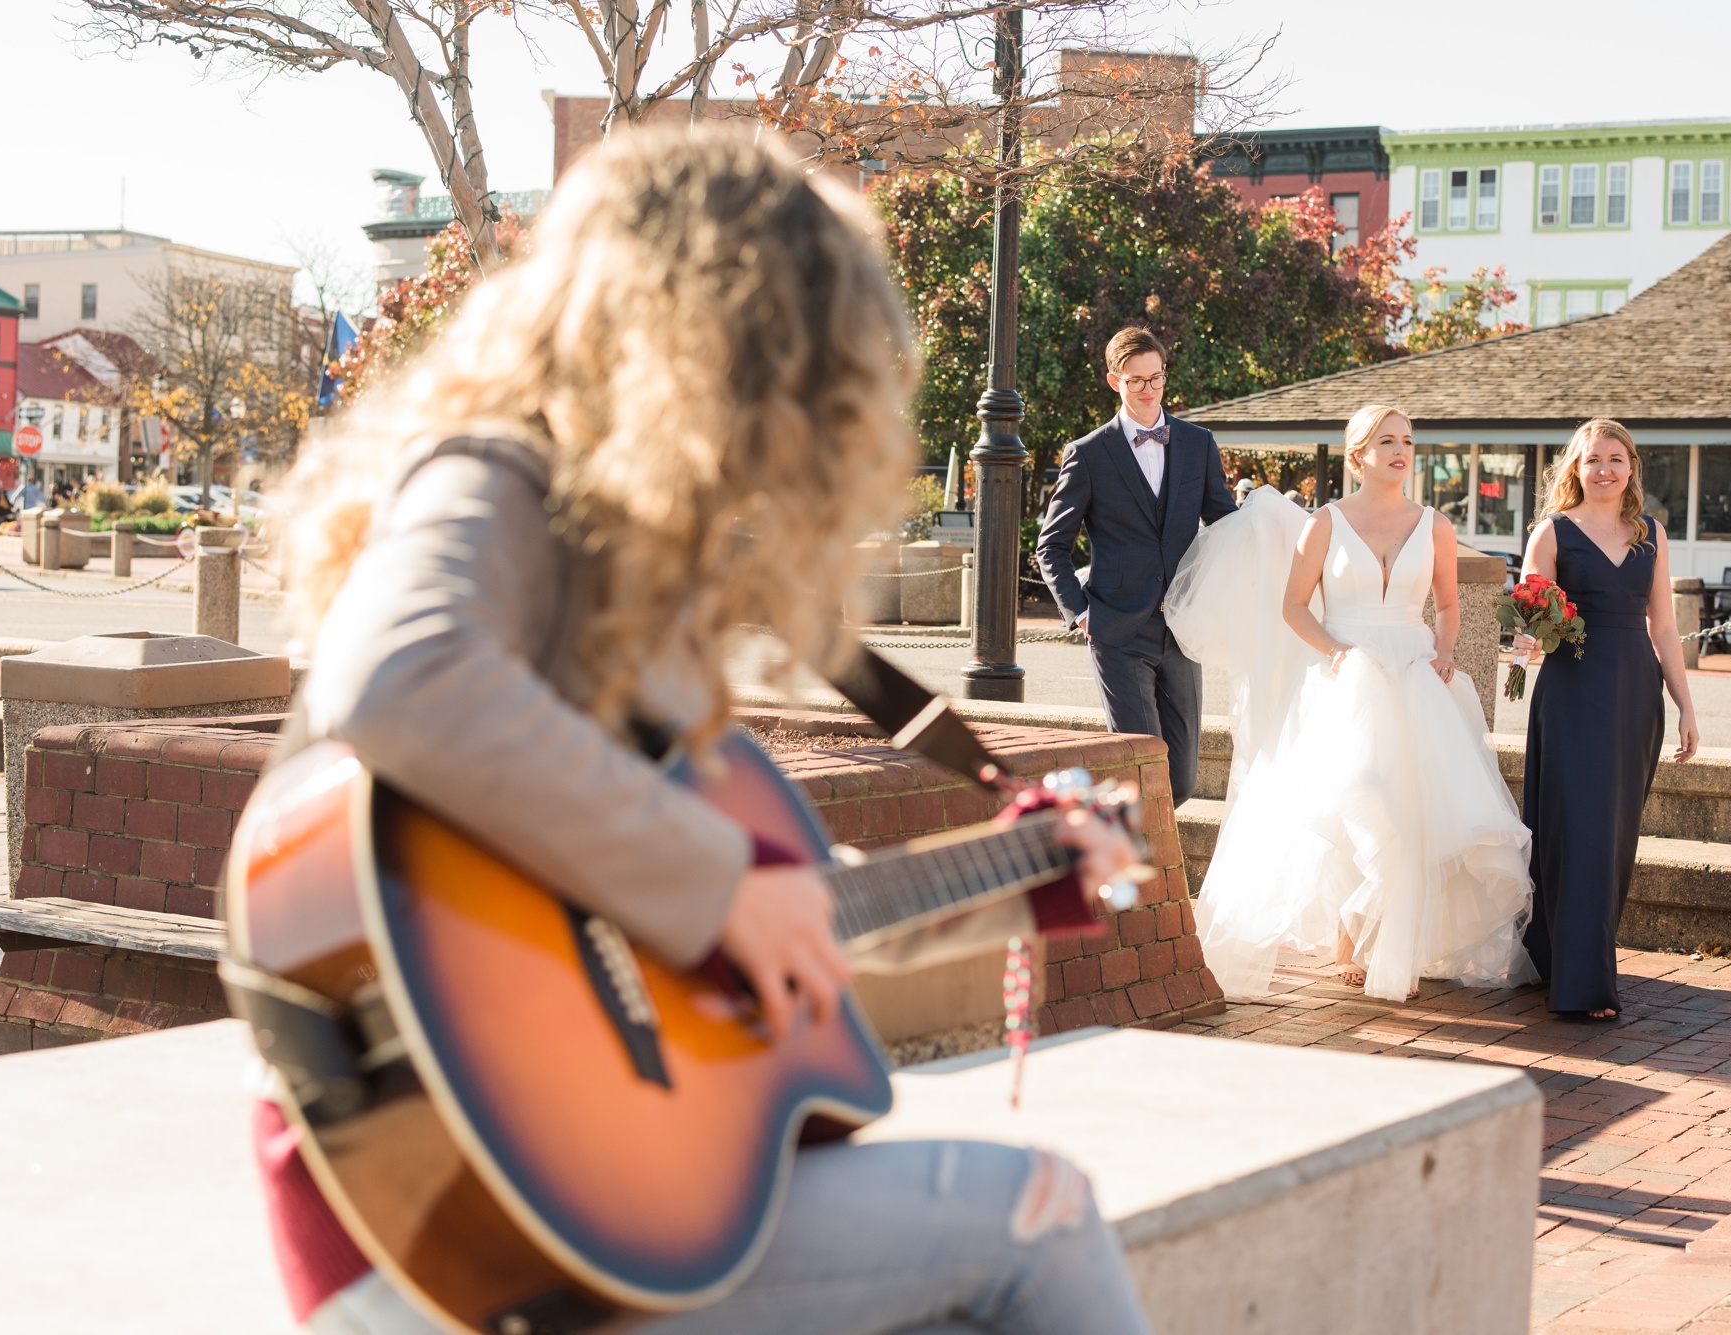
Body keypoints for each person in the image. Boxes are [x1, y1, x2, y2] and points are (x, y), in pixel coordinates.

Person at [272, 128, 1151, 1335]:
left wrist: (1031, 875)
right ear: (705, 342)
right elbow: (397, 671)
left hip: (580, 1203)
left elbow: (775, 911)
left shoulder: (640, 575)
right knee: (1039, 1209)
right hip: (444, 1229)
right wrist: (722, 886)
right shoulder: (495, 473)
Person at [1163, 405, 1536, 1002]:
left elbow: (1446, 604)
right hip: (1345, 674)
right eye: (1386, 441)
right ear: (1358, 454)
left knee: (1414, 806)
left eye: (1407, 441)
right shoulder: (1326, 523)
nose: (1400, 450)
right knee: (1353, 800)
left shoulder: (1436, 525)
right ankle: (1345, 940)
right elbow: (1293, 605)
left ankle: (1399, 945)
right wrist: (1333, 648)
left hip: (1416, 673)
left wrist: (1444, 652)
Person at [1512, 419, 1700, 1020]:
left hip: (1634, 696)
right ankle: (1581, 981)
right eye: (1593, 459)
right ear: (1575, 468)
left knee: (1614, 838)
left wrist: (1685, 707)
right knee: (1577, 831)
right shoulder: (1552, 532)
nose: (1605, 470)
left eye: (1616, 459)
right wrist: (1529, 641)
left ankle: (1568, 958)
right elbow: (1526, 623)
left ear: (1631, 468)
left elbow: (1664, 628)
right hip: (1572, 692)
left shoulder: (1651, 536)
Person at [1034, 327, 1238, 804]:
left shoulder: (1197, 443)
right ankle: (1142, 875)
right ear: (1114, 382)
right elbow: (1051, 546)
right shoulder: (1087, 454)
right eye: (1136, 381)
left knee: (1183, 778)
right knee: (1140, 767)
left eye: (1157, 378)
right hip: (1118, 632)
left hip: (1183, 629)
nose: (1149, 390)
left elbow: (1226, 524)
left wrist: (1279, 530)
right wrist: (1082, 614)